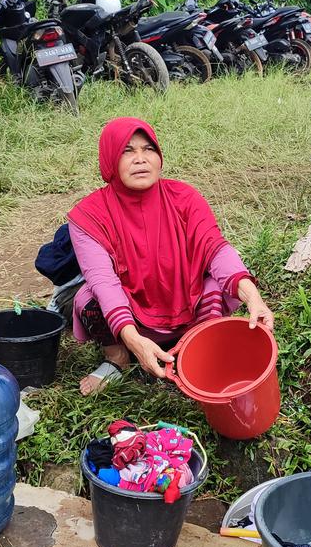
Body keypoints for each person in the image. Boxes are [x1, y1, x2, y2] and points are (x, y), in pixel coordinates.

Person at [68, 117, 275, 395]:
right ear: (109, 160)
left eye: (148, 149)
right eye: (127, 151)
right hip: (132, 316)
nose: (140, 159)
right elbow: (103, 281)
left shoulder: (185, 197)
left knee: (214, 286)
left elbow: (215, 248)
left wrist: (253, 296)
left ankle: (197, 348)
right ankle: (118, 359)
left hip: (187, 304)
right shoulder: (88, 216)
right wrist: (132, 339)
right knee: (87, 299)